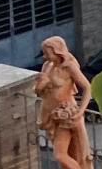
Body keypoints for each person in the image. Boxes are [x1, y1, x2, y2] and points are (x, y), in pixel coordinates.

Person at [37, 35, 92, 169]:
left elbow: (87, 88)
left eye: (47, 53)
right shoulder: (47, 66)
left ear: (57, 51)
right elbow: (37, 92)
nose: (45, 56)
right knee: (67, 154)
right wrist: (42, 84)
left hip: (66, 114)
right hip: (51, 115)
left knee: (60, 154)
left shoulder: (69, 67)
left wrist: (80, 111)